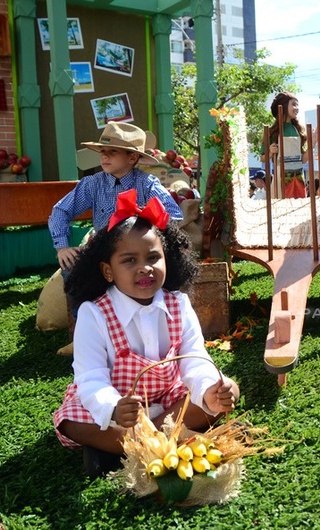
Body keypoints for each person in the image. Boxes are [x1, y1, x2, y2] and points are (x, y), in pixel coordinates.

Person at [53, 190, 240, 478]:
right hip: (122, 409)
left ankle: (130, 449)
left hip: (169, 400)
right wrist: (113, 407)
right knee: (72, 422)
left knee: (226, 391)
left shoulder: (178, 304)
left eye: (153, 257)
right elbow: (90, 377)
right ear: (108, 271)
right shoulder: (94, 313)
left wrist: (209, 389)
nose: (144, 268)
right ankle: (172, 440)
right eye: (129, 260)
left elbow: (194, 359)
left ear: (168, 259)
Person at [48, 122, 182, 272]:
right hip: (104, 252)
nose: (105, 156)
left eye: (113, 151)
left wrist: (150, 228)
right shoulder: (92, 184)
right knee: (71, 270)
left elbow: (174, 214)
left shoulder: (147, 184)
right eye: (102, 151)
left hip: (138, 254)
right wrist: (62, 248)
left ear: (132, 158)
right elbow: (60, 211)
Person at [262, 92, 307, 199]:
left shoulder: (299, 130)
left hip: (298, 177)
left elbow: (303, 160)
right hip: (280, 178)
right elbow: (263, 158)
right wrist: (270, 152)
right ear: (283, 106)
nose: (297, 108)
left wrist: (313, 143)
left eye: (297, 105)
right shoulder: (272, 132)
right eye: (294, 104)